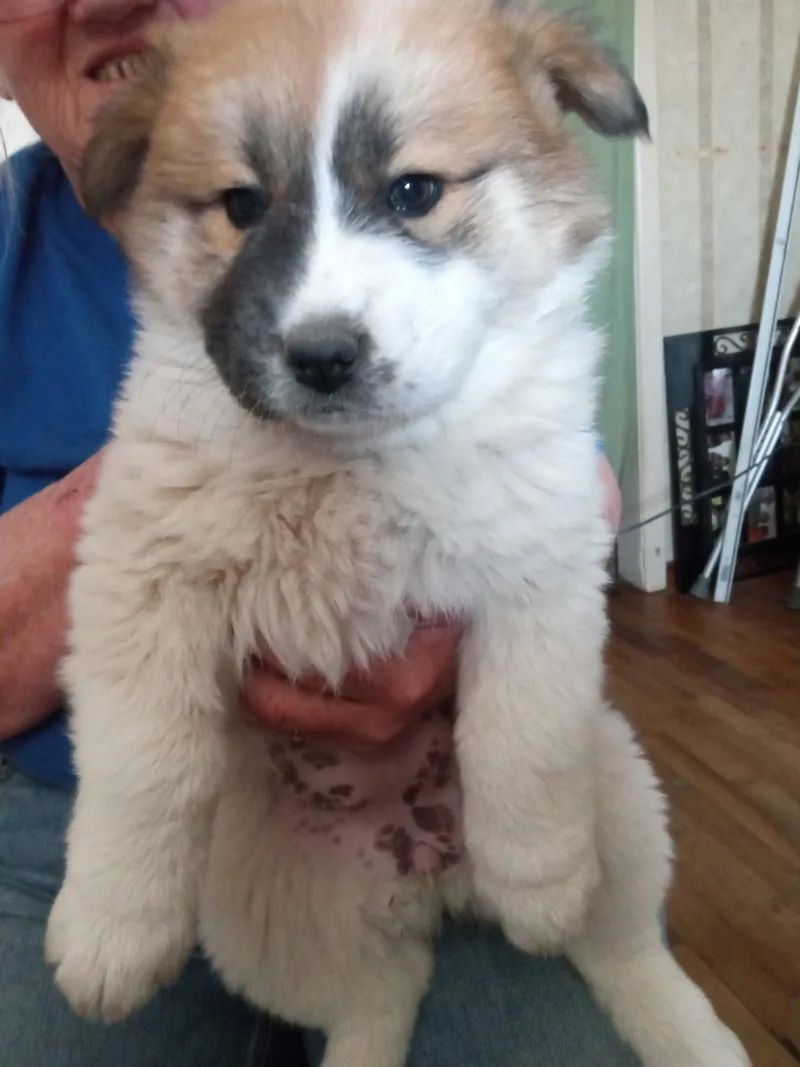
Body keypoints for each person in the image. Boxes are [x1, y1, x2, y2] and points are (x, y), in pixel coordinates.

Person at [0, 1, 630, 1065]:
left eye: (414, 193)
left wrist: (555, 505)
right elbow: (145, 585)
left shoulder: (443, 90)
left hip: (444, 786)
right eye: (241, 204)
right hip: (51, 789)